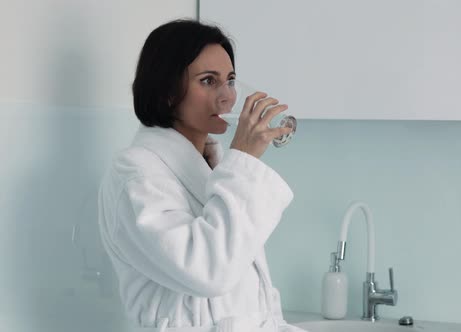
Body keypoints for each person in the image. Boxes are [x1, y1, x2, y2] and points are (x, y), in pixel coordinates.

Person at [97, 19, 305, 332]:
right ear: (167, 92)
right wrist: (244, 158)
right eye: (208, 81)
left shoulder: (214, 171)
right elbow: (209, 271)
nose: (228, 97)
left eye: (230, 80)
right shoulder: (136, 175)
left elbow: (255, 308)